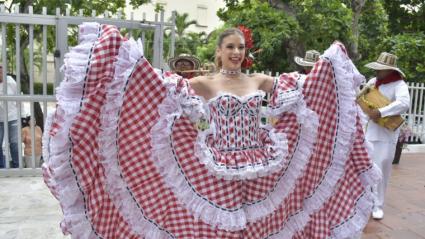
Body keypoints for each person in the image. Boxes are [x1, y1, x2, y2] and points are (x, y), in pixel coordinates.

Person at [43, 23, 380, 239]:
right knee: (221, 230)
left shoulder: (259, 80)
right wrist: (122, 59)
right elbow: (161, 91)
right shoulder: (203, 83)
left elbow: (304, 91)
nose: (236, 53)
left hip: (261, 166)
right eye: (230, 47)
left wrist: (330, 65)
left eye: (241, 48)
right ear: (219, 52)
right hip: (217, 167)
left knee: (258, 227)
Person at [363, 52, 410, 220]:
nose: (378, 72)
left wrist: (381, 111)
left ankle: (378, 205)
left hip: (386, 135)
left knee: (381, 171)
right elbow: (361, 100)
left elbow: (404, 103)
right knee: (366, 169)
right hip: (368, 132)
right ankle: (366, 202)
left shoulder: (399, 85)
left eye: (381, 69)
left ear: (390, 70)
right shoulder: (372, 82)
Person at [0, 64, 19, 168]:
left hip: (13, 117)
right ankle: (1, 167)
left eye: (1, 71)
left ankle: (17, 167)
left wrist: (21, 115)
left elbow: (18, 98)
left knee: (15, 144)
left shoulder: (11, 82)